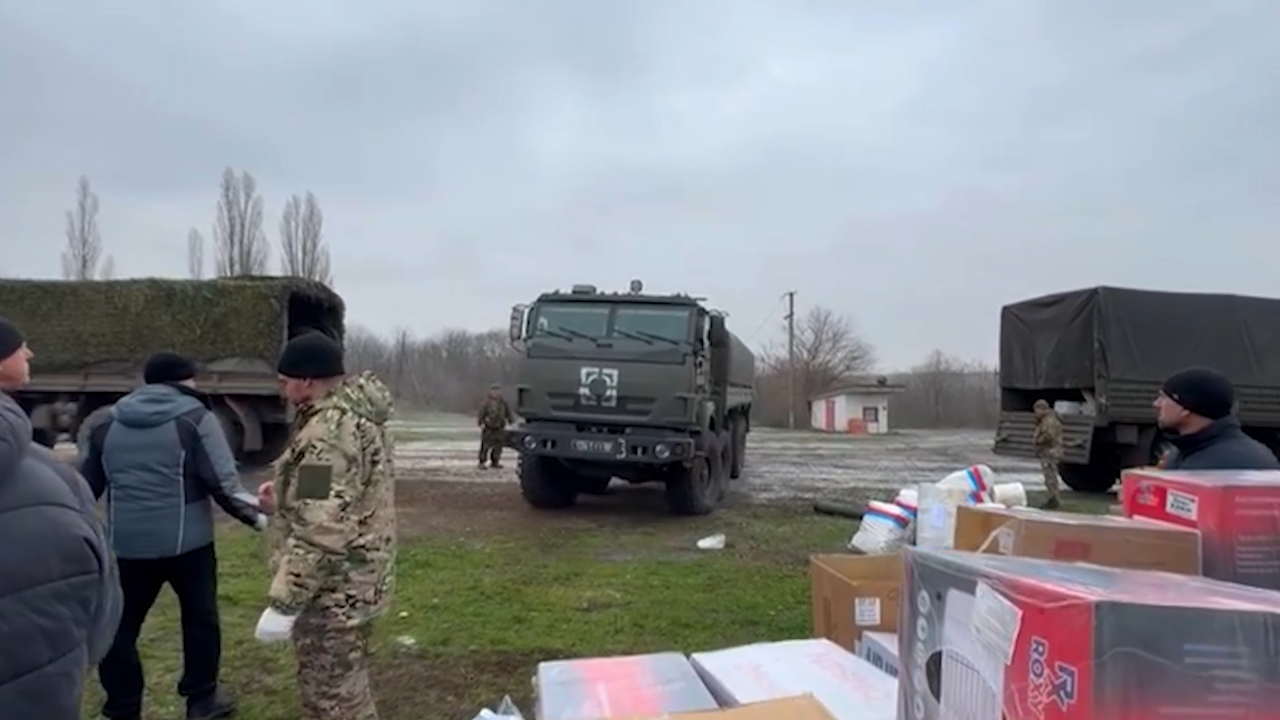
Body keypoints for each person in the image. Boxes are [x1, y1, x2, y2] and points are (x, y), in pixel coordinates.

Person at [80, 352, 268, 720]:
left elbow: (86, 489)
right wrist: (263, 522)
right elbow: (224, 486)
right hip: (189, 546)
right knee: (200, 621)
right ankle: (202, 701)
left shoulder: (106, 423)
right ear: (186, 380)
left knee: (118, 627)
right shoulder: (197, 419)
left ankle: (122, 706)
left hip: (127, 546)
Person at [252, 332, 396, 720]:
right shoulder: (357, 418)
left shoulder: (327, 435)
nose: (283, 391)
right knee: (342, 693)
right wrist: (286, 497)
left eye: (285, 382)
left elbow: (321, 529)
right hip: (357, 581)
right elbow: (341, 496)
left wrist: (285, 603)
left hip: (333, 592)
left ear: (307, 381)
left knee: (334, 703)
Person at [0, 317, 123, 719]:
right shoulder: (52, 478)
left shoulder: (85, 450)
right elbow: (100, 613)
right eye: (18, 345)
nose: (29, 352)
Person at [1154, 366, 1280, 470]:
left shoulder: (1241, 463)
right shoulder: (1183, 452)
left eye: (1163, 398)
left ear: (1184, 408)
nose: (1156, 404)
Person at [1031, 399, 1064, 509]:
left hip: (1050, 453)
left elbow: (1049, 435)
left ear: (1042, 409)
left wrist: (1038, 441)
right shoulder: (1046, 420)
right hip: (1049, 452)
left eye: (1037, 410)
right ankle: (1052, 499)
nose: (1035, 413)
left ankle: (1054, 500)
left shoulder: (1048, 421)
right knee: (1049, 477)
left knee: (1050, 478)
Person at [476, 382, 513, 469]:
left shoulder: (503, 403)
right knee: (485, 446)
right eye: (494, 391)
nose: (496, 393)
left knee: (498, 446)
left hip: (500, 427)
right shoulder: (486, 403)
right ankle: (482, 462)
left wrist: (511, 421)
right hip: (489, 427)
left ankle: (495, 462)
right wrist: (480, 423)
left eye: (497, 391)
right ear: (490, 392)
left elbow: (508, 413)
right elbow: (481, 413)